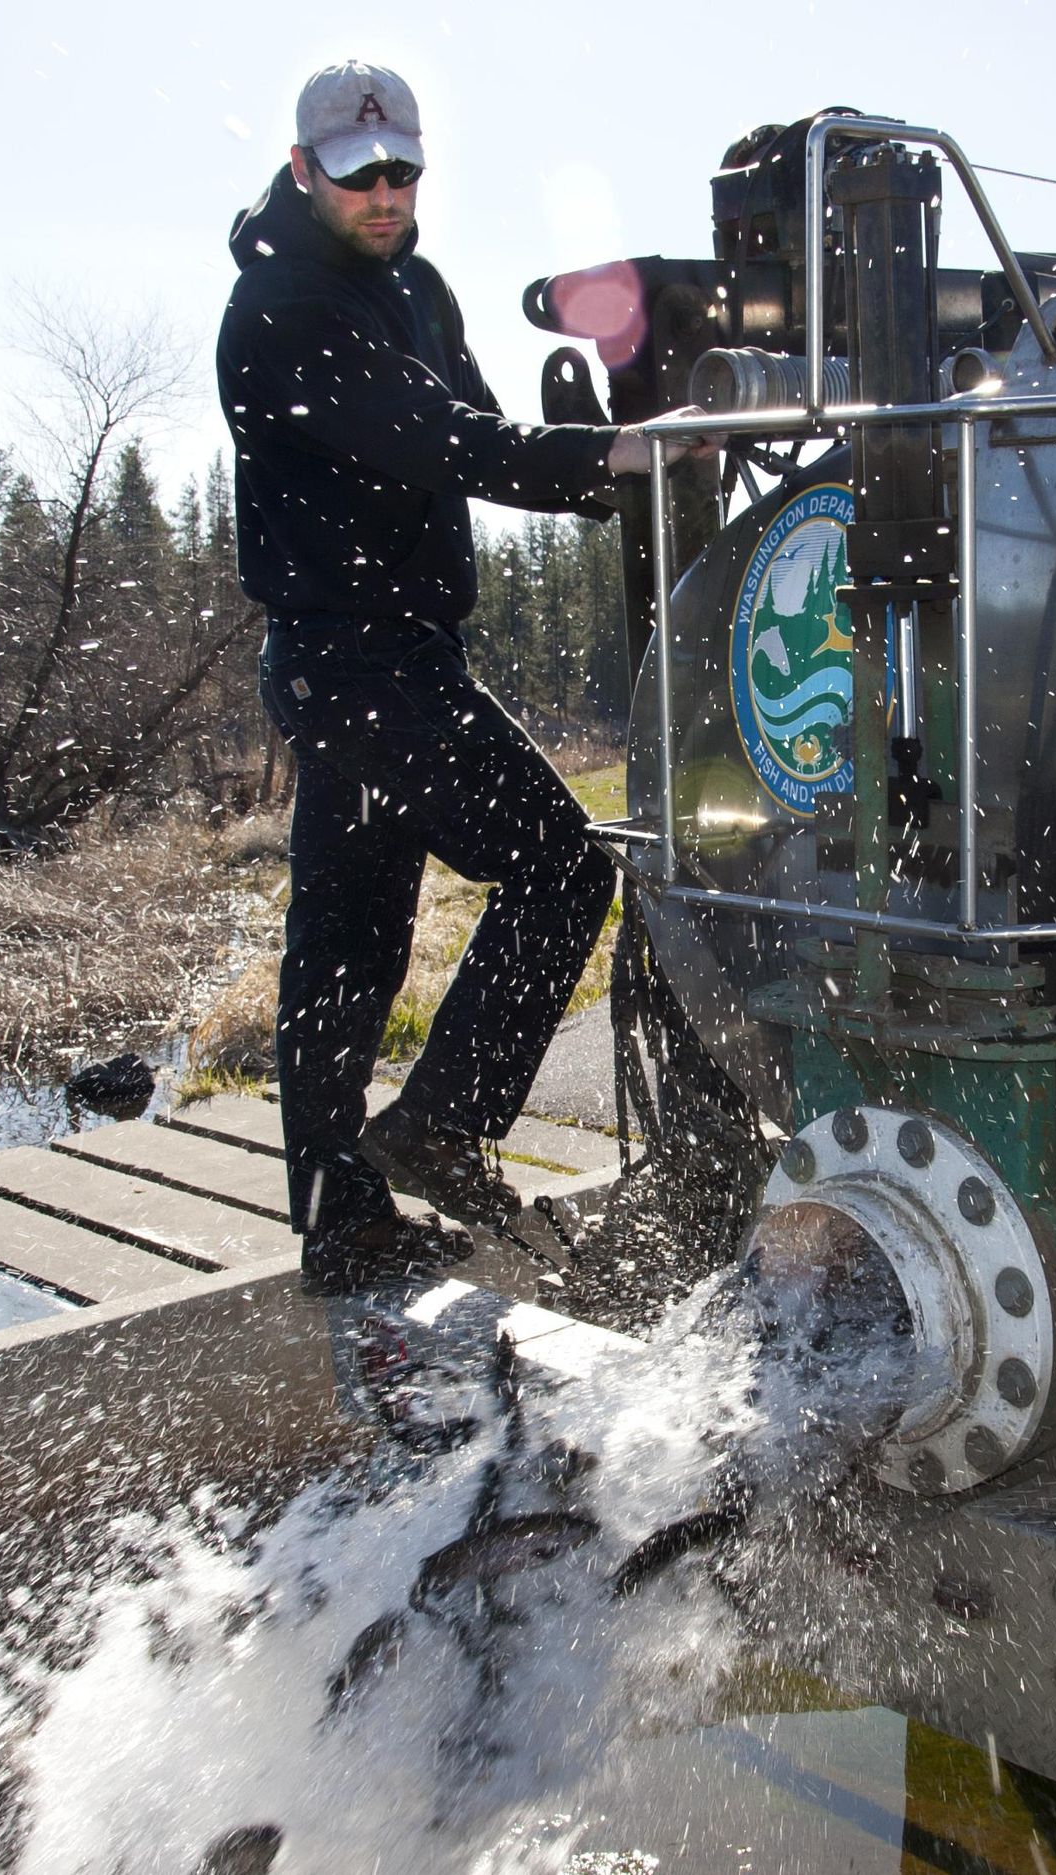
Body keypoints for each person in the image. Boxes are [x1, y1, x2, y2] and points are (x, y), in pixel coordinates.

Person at [217, 59, 709, 1292]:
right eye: (357, 176)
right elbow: (434, 440)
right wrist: (611, 460)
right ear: (301, 172)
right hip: (350, 662)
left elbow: (484, 430)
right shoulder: (279, 310)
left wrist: (602, 468)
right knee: (556, 867)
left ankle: (341, 1224)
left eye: (402, 171)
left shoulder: (419, 287)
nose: (385, 194)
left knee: (347, 942)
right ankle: (442, 1127)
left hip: (401, 655)